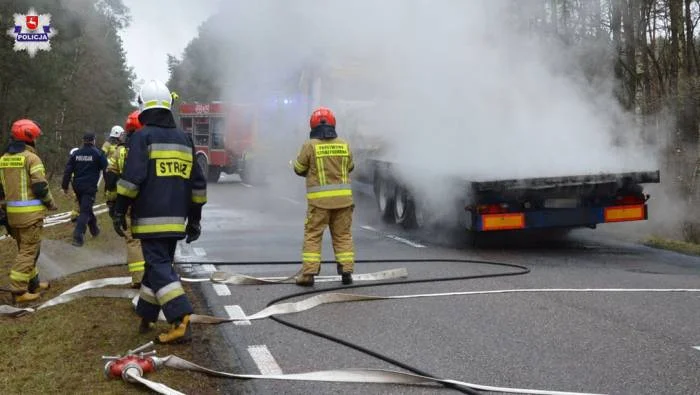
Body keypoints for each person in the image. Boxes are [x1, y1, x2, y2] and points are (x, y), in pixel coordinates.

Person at [113, 80, 207, 344]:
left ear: (143, 107)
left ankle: (180, 318)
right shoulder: (184, 138)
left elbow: (132, 180)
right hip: (177, 220)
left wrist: (119, 211)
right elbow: (197, 183)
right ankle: (147, 314)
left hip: (149, 219)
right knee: (159, 267)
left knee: (157, 265)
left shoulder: (143, 137)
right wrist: (195, 220)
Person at [292, 107, 355, 287]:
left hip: (319, 204)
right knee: (343, 235)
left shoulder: (309, 146)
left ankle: (309, 275)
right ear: (333, 123)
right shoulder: (344, 145)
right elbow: (350, 167)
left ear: (312, 125)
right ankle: (346, 271)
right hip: (344, 202)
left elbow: (299, 169)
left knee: (313, 235)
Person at [0, 119, 58, 303]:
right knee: (28, 252)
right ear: (30, 137)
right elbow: (40, 187)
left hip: (11, 216)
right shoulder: (32, 158)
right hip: (30, 216)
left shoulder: (3, 159)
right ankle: (19, 291)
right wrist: (50, 203)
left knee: (27, 249)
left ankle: (33, 283)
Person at [105, 113, 145, 288]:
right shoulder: (151, 147)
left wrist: (112, 205)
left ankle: (138, 279)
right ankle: (158, 276)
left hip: (127, 201)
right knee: (152, 240)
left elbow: (111, 180)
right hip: (150, 202)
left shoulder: (119, 151)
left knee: (132, 240)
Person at [62, 132, 108, 247]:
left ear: (83, 140)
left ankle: (95, 230)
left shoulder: (76, 154)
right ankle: (78, 237)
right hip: (89, 187)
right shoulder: (98, 153)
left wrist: (65, 186)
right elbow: (106, 170)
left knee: (86, 207)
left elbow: (68, 170)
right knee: (85, 211)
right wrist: (109, 186)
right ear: (93, 140)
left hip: (77, 187)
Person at [68, 147, 80, 222]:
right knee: (78, 198)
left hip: (74, 182)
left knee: (77, 198)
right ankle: (75, 214)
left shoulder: (71, 162)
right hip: (77, 181)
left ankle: (75, 214)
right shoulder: (79, 162)